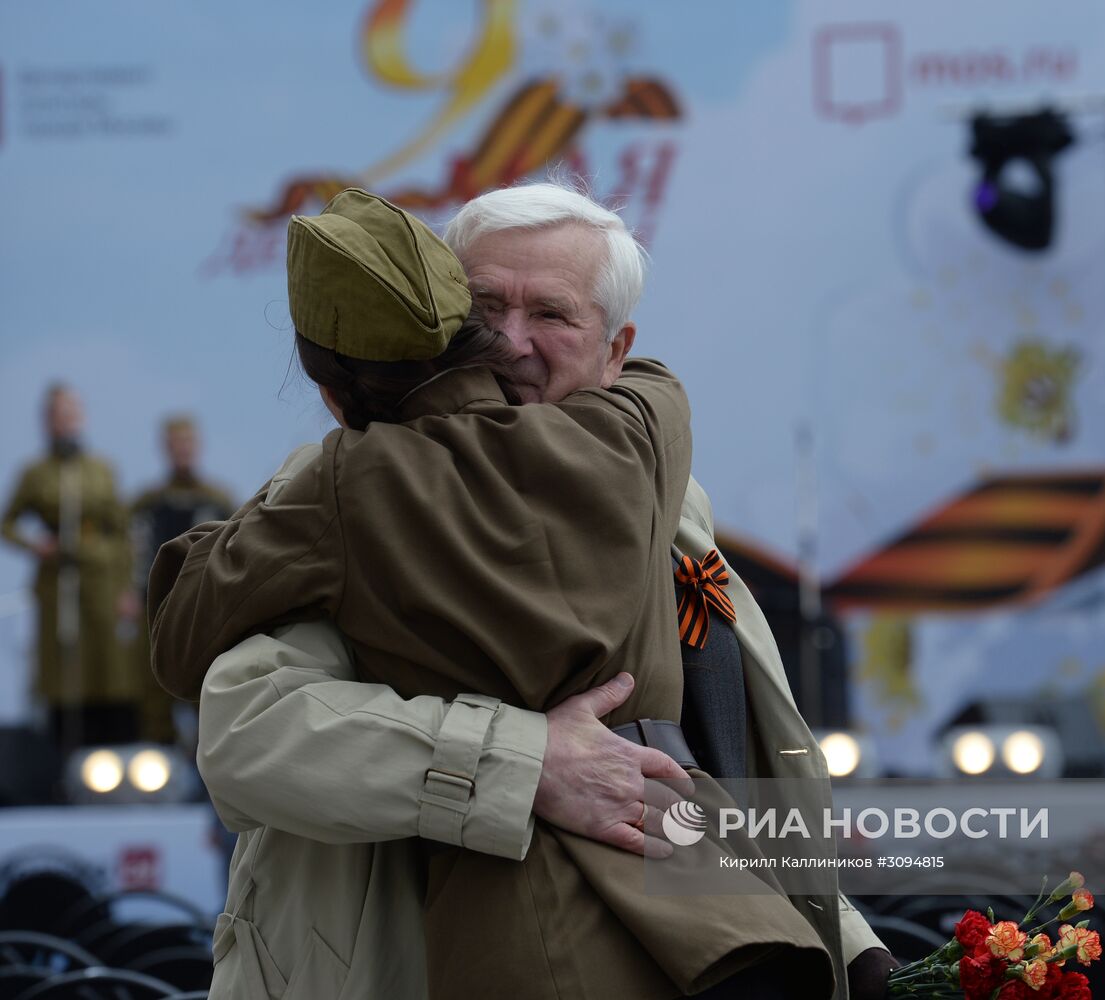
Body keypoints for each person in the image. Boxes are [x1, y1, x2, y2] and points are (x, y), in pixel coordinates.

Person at [161, 184, 893, 1000]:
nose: (511, 344)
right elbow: (245, 737)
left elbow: (703, 758)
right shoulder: (352, 495)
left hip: (691, 947)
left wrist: (849, 943)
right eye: (483, 311)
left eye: (551, 313)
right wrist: (525, 760)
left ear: (616, 351)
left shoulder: (666, 494)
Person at [1, 384, 140, 748]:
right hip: (57, 583)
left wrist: (126, 588)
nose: (62, 422)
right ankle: (63, 756)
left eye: (68, 413)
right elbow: (8, 523)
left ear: (80, 417)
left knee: (109, 665)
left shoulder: (100, 470)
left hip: (101, 577)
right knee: (61, 667)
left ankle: (119, 754)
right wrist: (35, 544)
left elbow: (124, 531)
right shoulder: (35, 474)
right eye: (54, 415)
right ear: (45, 422)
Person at [128, 415, 235, 743]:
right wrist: (127, 593)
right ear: (166, 448)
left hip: (202, 607)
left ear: (197, 446)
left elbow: (236, 548)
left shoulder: (218, 499)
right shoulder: (148, 503)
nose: (182, 451)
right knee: (152, 692)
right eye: (176, 444)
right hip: (155, 606)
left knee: (207, 689)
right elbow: (131, 549)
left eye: (187, 443)